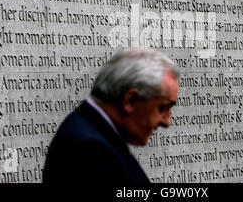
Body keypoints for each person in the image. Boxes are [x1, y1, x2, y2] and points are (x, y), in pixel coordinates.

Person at [42, 48, 179, 184]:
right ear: (130, 101)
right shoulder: (90, 151)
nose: (166, 121)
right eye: (162, 108)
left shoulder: (96, 134)